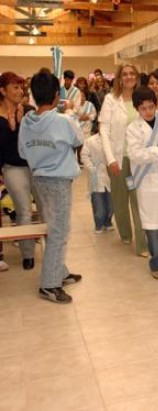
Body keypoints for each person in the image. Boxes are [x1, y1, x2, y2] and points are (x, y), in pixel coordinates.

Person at [18, 70, 83, 304]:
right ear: (56, 95)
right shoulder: (62, 120)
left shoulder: (27, 121)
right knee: (59, 232)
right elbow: (79, 140)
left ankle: (59, 271)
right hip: (58, 181)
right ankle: (49, 285)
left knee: (52, 226)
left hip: (39, 180)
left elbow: (23, 151)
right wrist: (72, 112)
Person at [126, 87, 158, 279]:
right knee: (153, 227)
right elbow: (135, 154)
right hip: (147, 181)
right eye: (143, 109)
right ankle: (156, 261)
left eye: (151, 107)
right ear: (136, 109)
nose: (148, 112)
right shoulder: (133, 129)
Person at [98, 63, 148, 256]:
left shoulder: (141, 99)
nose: (128, 77)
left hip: (137, 159)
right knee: (120, 200)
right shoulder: (111, 100)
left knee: (138, 200)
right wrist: (111, 159)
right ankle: (125, 233)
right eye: (125, 74)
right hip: (118, 158)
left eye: (132, 74)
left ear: (136, 77)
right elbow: (104, 131)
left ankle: (142, 245)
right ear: (119, 78)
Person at [0, 71, 37, 270]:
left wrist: (23, 123)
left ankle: (50, 250)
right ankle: (28, 255)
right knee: (24, 210)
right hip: (12, 168)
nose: (19, 90)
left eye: (21, 87)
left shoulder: (29, 112)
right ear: (2, 91)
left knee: (46, 210)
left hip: (36, 167)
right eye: (15, 87)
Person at [80, 133, 114, 234]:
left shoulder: (114, 139)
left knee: (111, 204)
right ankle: (99, 224)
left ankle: (108, 222)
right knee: (98, 204)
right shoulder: (90, 141)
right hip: (96, 175)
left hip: (110, 176)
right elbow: (84, 155)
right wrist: (91, 167)